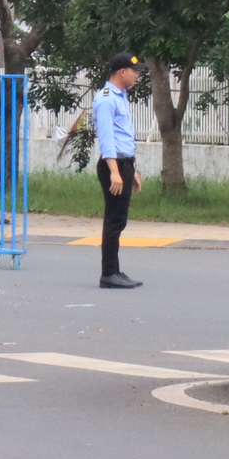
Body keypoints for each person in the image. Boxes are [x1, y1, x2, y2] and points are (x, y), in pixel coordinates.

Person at [94, 52, 143, 289]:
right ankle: (108, 273)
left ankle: (114, 270)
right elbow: (107, 138)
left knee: (119, 220)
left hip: (123, 163)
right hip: (112, 165)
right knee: (114, 220)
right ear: (122, 72)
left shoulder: (120, 96)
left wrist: (130, 169)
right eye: (135, 71)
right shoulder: (105, 99)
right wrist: (115, 170)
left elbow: (123, 136)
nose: (137, 75)